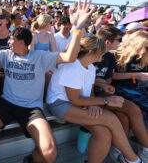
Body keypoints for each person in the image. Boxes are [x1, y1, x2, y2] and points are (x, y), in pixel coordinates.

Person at [0, 0, 96, 163]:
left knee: (49, 152)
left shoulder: (40, 57)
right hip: (6, 103)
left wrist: (78, 29)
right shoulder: (6, 54)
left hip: (31, 109)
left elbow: (69, 57)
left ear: (21, 43)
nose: (8, 42)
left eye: (11, 40)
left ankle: (31, 160)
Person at [47, 34, 143, 163]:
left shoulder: (91, 67)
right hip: (60, 104)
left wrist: (93, 103)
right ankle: (134, 160)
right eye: (102, 53)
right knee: (111, 118)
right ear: (92, 52)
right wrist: (105, 101)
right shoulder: (72, 67)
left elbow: (89, 90)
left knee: (104, 133)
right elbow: (74, 100)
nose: (104, 56)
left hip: (76, 103)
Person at [94, 26, 148, 162]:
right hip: (107, 92)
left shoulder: (110, 57)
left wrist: (104, 83)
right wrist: (136, 75)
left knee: (124, 117)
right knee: (135, 110)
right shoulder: (110, 55)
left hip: (110, 91)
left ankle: (119, 150)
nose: (121, 42)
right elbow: (92, 78)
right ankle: (144, 149)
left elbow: (109, 78)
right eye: (119, 39)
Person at [112, 31, 148, 130]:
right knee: (144, 107)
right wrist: (135, 75)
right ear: (136, 44)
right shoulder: (116, 55)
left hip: (138, 88)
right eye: (145, 47)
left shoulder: (143, 56)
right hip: (120, 88)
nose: (145, 50)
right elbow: (112, 76)